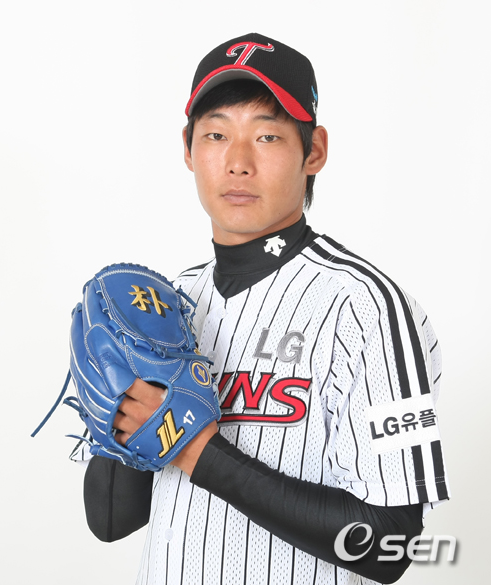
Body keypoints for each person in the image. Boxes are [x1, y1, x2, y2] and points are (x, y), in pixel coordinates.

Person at [80, 33, 450, 584]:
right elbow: (112, 521)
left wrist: (194, 448)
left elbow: (388, 546)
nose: (237, 162)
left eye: (268, 135)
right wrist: (116, 412)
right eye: (216, 134)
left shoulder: (367, 309)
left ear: (314, 151)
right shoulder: (168, 305)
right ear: (188, 149)